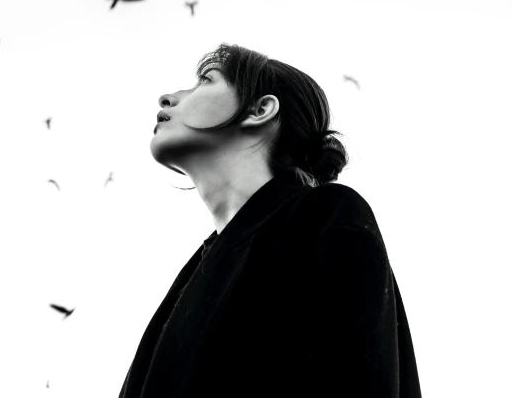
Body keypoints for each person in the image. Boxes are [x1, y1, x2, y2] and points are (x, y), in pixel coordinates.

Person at [119, 43, 421, 397]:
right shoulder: (193, 276)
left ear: (260, 109)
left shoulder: (326, 218)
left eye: (205, 80)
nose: (167, 98)